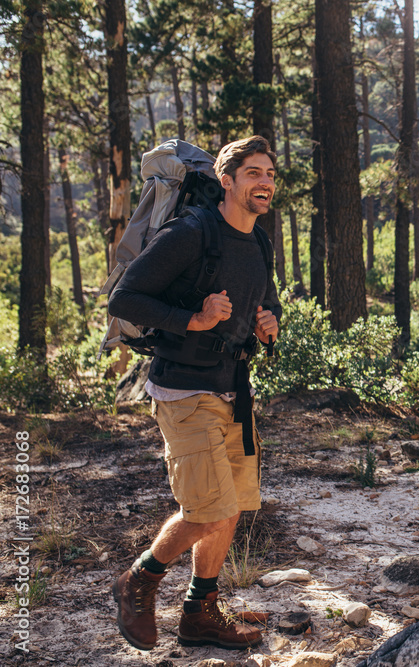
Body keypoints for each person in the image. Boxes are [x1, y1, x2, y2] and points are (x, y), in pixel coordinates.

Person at [108, 136, 281, 651]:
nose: (265, 182)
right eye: (253, 173)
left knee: (227, 509)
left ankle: (199, 613)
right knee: (205, 510)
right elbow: (125, 297)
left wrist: (270, 325)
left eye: (270, 174)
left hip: (235, 392)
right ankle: (137, 581)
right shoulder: (191, 233)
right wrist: (194, 319)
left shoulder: (261, 242)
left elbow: (263, 310)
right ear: (226, 181)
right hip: (184, 389)